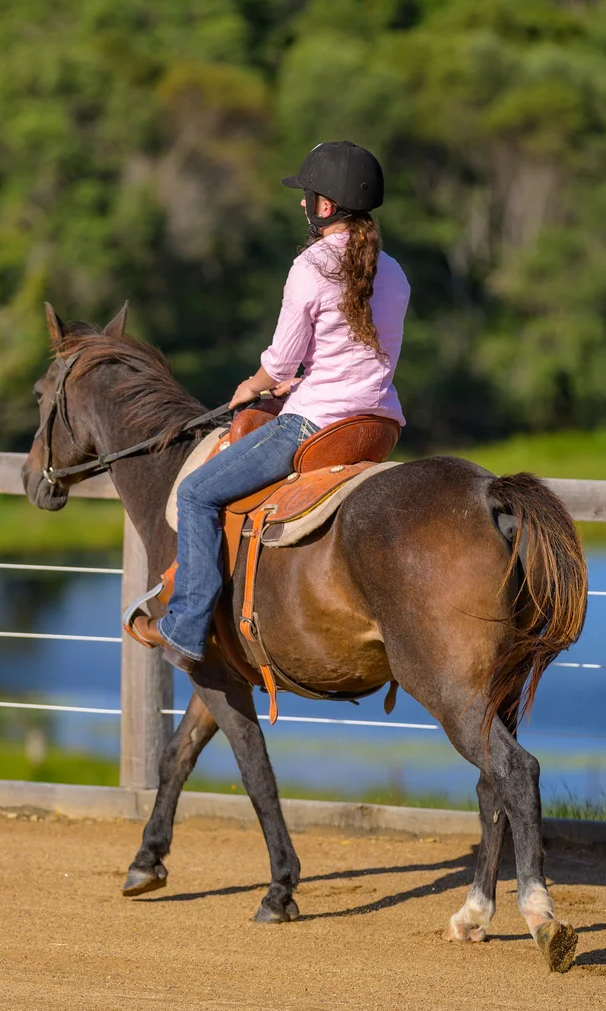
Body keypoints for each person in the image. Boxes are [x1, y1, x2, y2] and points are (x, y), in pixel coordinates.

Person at [129, 140, 410, 670]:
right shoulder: (394, 272)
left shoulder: (311, 265)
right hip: (378, 424)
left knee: (194, 495)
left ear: (326, 206)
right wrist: (300, 379)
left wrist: (253, 387)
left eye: (308, 197)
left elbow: (280, 363)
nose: (302, 205)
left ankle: (186, 628)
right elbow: (354, 354)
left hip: (316, 424)